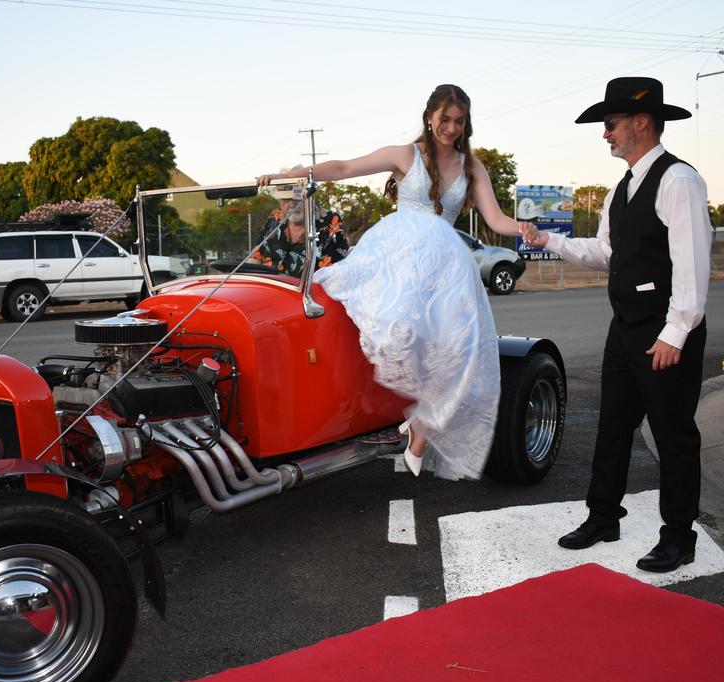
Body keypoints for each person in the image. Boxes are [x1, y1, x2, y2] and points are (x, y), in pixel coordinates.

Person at [258, 84, 524, 479]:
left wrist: (526, 229)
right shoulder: (407, 154)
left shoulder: (472, 166)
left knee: (460, 355)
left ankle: (421, 425)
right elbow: (347, 168)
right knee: (395, 331)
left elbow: (496, 219)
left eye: (459, 121)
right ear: (430, 116)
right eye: (445, 119)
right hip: (399, 254)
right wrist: (297, 173)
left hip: (445, 266)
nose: (451, 127)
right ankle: (391, 414)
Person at [522, 77, 711, 573]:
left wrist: (677, 331)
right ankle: (603, 516)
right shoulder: (622, 187)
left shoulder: (679, 181)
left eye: (610, 124)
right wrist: (550, 240)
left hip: (666, 332)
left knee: (673, 436)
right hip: (624, 329)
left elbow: (692, 263)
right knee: (612, 429)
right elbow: (607, 253)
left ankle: (678, 536)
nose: (605, 134)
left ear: (641, 122)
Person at [250, 187, 349, 277]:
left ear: (310, 197)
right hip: (269, 287)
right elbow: (256, 256)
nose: (292, 204)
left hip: (306, 293)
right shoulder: (275, 216)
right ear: (280, 201)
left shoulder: (331, 221)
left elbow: (336, 273)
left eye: (297, 197)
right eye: (286, 199)